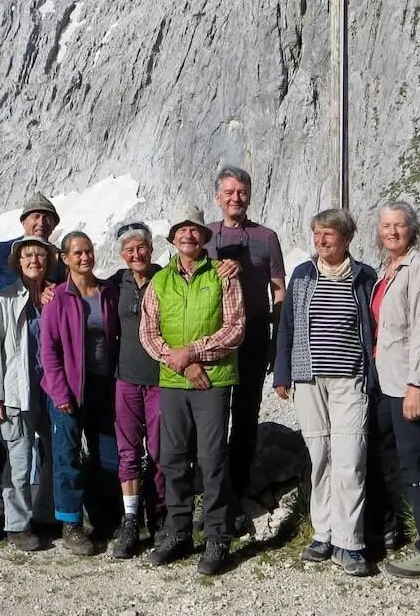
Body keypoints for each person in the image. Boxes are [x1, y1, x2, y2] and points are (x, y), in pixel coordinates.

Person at [141, 205, 245, 576]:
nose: (188, 235)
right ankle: (179, 530)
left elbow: (235, 328)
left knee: (212, 458)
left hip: (214, 381)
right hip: (173, 381)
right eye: (182, 231)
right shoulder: (159, 282)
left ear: (205, 238)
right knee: (171, 458)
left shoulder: (223, 275)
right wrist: (182, 360)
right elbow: (148, 334)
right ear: (172, 238)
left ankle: (217, 536)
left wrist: (195, 351)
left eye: (195, 230)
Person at [274, 208, 378, 577]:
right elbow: (286, 326)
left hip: (351, 380)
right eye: (317, 234)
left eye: (328, 235)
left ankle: (351, 543)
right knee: (320, 456)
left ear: (346, 238)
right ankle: (324, 534)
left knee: (351, 458)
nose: (320, 240)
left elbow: (374, 328)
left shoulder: (365, 276)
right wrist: (281, 374)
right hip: (308, 379)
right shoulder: (303, 274)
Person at [0, 192, 63, 534]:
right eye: (36, 217)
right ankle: (0, 510)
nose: (41, 223)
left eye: (47, 219)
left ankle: (38, 513)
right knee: (5, 443)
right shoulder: (3, 253)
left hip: (43, 373)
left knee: (39, 444)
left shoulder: (55, 262)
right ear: (24, 221)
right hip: (11, 368)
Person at [369, 201, 420, 578]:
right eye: (386, 226)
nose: (392, 232)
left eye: (399, 225)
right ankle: (388, 526)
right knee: (374, 448)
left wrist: (418, 383)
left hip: (409, 384)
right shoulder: (390, 269)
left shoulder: (419, 267)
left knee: (416, 463)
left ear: (412, 229)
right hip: (388, 382)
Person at [205, 167, 285, 511]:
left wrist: (276, 339)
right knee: (212, 415)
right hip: (213, 336)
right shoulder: (204, 236)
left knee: (246, 413)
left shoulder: (266, 237)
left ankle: (237, 490)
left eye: (242, 192)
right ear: (218, 197)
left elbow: (278, 289)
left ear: (249, 196)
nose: (236, 198)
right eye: (229, 192)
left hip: (253, 333)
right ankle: (211, 489)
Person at [39, 231, 121, 556]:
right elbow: (49, 351)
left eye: (88, 251)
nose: (85, 257)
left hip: (105, 386)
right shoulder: (57, 299)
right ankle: (71, 525)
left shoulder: (108, 292)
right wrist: (60, 393)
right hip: (68, 389)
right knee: (67, 456)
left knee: (108, 455)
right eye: (78, 253)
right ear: (65, 258)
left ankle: (104, 519)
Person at [0, 235, 59, 552]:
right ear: (18, 262)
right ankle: (17, 526)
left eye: (39, 256)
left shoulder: (56, 297)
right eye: (27, 256)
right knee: (19, 457)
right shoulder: (5, 299)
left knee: (54, 454)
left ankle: (45, 516)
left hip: (51, 389)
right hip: (17, 391)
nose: (33, 261)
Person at [107, 221, 165, 558]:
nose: (136, 253)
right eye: (129, 249)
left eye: (141, 247)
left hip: (160, 380)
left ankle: (158, 516)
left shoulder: (165, 278)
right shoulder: (117, 283)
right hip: (125, 379)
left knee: (159, 451)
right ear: (121, 254)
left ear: (151, 249)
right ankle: (130, 520)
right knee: (128, 451)